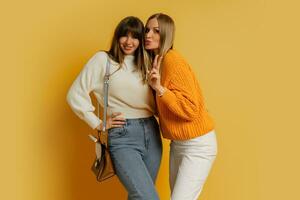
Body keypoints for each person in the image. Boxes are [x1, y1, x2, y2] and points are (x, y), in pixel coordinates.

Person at [67, 16, 162, 200]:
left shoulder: (147, 62)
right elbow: (75, 94)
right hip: (123, 134)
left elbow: (155, 103)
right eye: (124, 36)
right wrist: (98, 123)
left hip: (152, 133)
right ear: (117, 37)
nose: (129, 42)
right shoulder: (103, 60)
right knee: (147, 197)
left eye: (134, 37)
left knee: (139, 196)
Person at [145, 13, 218, 200]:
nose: (148, 35)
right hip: (178, 144)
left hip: (197, 144)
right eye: (147, 30)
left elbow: (191, 109)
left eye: (156, 31)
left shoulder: (172, 60)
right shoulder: (158, 62)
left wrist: (160, 89)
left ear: (167, 35)